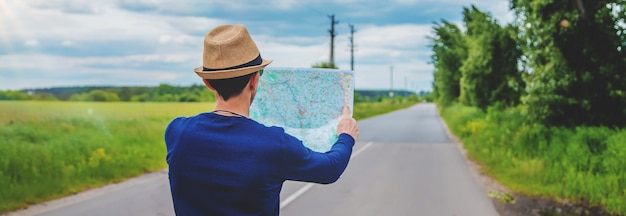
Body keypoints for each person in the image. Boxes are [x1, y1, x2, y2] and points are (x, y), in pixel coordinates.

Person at [164, 24, 360, 216]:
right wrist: (345, 135)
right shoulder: (274, 144)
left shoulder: (176, 131)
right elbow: (330, 169)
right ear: (254, 80)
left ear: (207, 82)